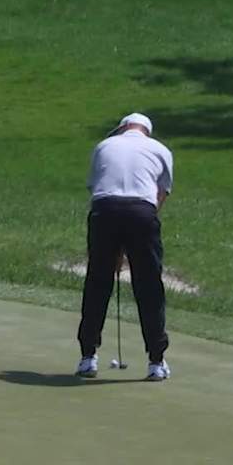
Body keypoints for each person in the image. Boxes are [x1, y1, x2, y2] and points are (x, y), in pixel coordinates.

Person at [75, 113, 174, 381]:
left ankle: (87, 358)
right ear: (147, 132)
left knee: (98, 283)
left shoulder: (104, 146)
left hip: (104, 211)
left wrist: (115, 247)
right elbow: (160, 195)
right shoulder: (161, 150)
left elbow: (96, 187)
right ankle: (156, 361)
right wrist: (140, 230)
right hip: (142, 212)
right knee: (149, 286)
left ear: (122, 128)